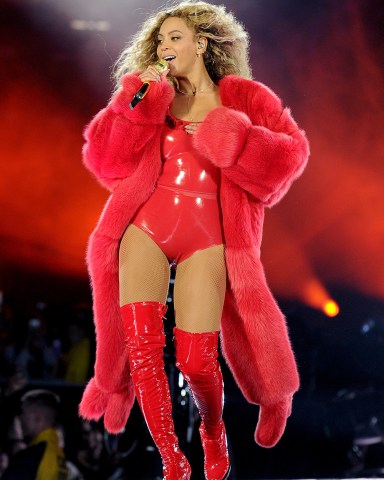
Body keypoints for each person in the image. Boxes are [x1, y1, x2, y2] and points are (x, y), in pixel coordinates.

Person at [78, 1, 309, 479]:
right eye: (159, 40)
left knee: (196, 360)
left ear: (202, 42)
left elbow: (291, 156)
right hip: (144, 228)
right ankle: (172, 461)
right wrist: (132, 103)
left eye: (175, 37)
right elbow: (105, 161)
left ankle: (211, 428)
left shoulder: (244, 97)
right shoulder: (149, 97)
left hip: (209, 238)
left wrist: (239, 141)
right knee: (142, 349)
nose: (164, 47)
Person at [2, 389, 68, 480]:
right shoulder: (58, 453)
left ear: (38, 417)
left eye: (23, 413)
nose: (20, 418)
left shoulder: (34, 454)